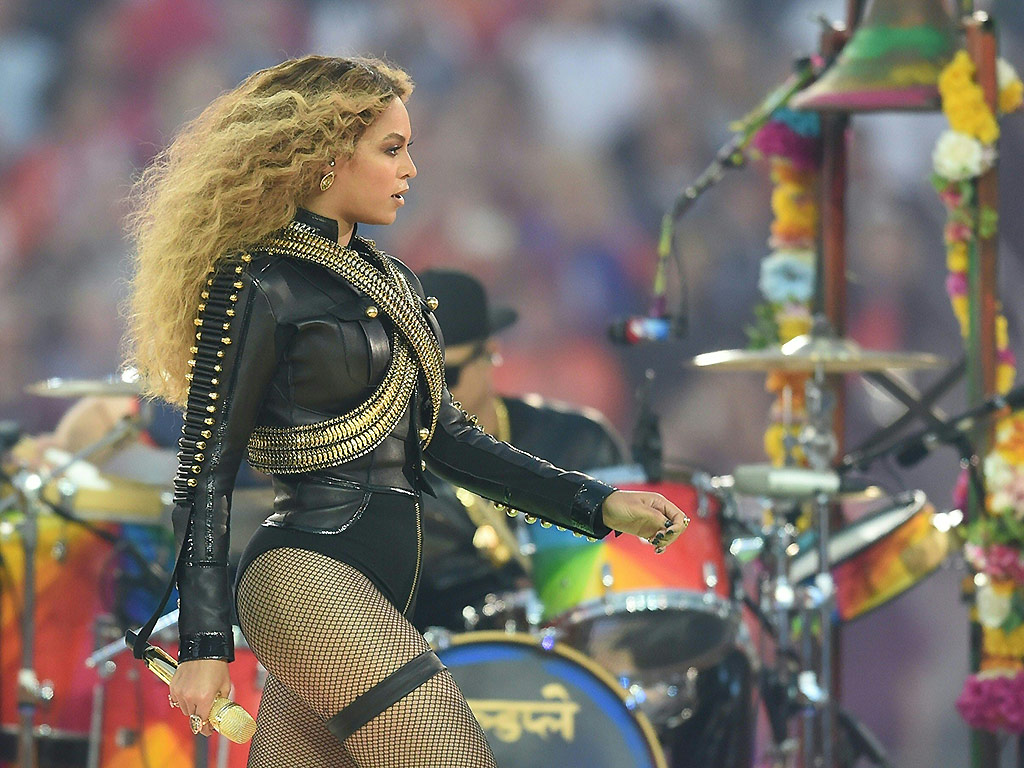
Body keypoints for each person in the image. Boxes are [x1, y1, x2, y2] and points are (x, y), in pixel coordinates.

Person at [124, 55, 689, 768]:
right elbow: (204, 475)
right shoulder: (257, 282)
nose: (410, 169)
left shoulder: (393, 281)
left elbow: (451, 441)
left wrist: (601, 506)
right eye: (391, 150)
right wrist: (207, 646)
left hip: (373, 587)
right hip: (305, 575)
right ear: (326, 156)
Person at [413, 269, 628, 631]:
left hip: (584, 663)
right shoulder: (384, 468)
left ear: (491, 354)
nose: (428, 389)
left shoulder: (579, 442)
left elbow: (629, 585)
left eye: (446, 374)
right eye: (414, 373)